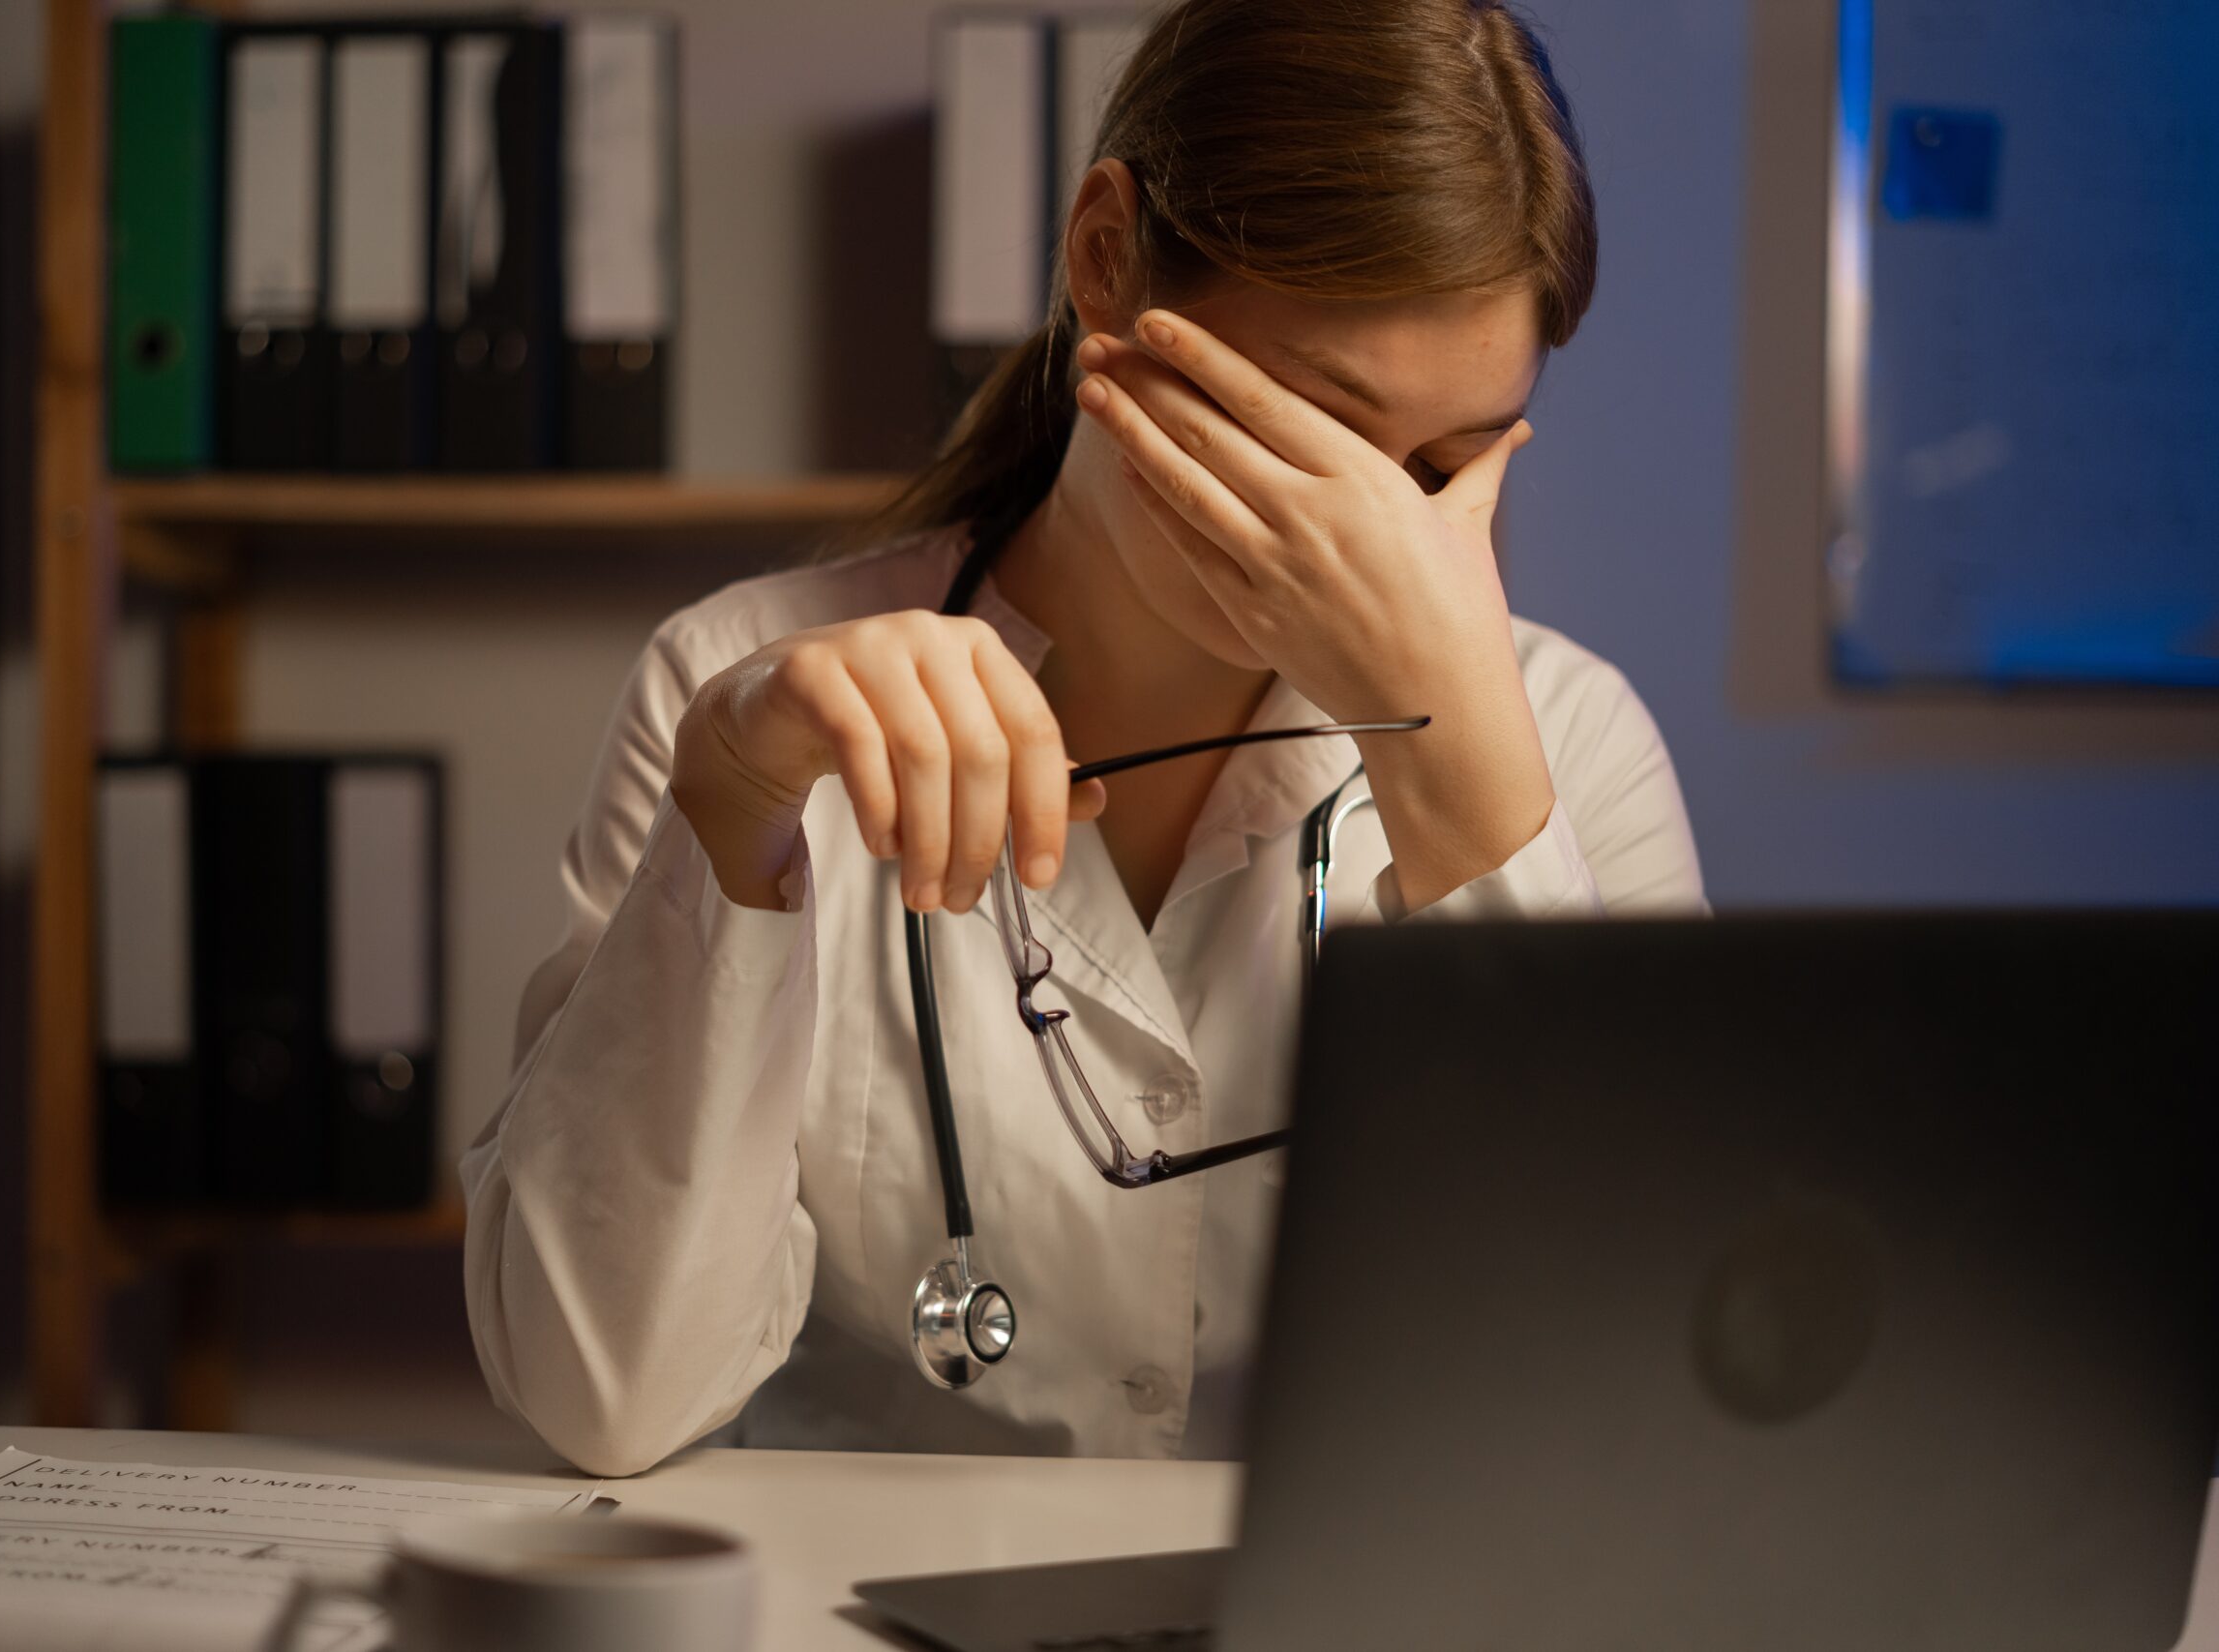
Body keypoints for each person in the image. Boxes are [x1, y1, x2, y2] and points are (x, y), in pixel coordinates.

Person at [462, 0, 1706, 1478]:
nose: (1360, 536)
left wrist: (1465, 781)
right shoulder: (736, 682)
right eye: (1312, 429)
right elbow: (601, 1395)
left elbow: (1648, 1403)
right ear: (1105, 260)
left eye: (1435, 471)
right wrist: (732, 811)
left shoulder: (1572, 739)